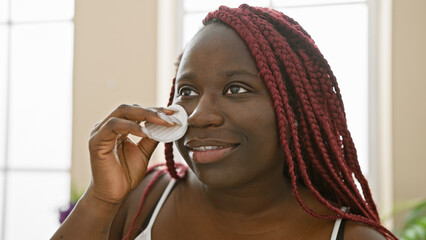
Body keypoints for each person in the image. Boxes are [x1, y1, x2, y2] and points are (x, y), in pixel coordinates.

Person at [52, 4, 397, 240]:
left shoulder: (351, 237)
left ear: (292, 111)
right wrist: (101, 201)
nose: (200, 116)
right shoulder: (144, 198)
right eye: (187, 91)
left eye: (236, 89)